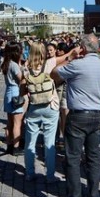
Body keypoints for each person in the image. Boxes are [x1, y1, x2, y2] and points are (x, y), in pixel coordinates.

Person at [51, 33, 100, 197]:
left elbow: (53, 74)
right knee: (94, 159)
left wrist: (70, 57)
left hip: (77, 115)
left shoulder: (76, 65)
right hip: (95, 115)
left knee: (73, 158)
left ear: (83, 48)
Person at [21, 42, 60, 182]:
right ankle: (50, 175)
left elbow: (22, 90)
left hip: (34, 107)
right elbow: (67, 57)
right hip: (50, 106)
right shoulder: (48, 64)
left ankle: (30, 173)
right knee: (49, 142)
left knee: (30, 142)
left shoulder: (26, 68)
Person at [2, 41, 24, 155]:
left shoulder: (6, 63)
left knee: (10, 122)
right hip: (16, 91)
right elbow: (21, 78)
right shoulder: (14, 65)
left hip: (8, 92)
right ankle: (16, 147)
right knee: (17, 123)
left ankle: (10, 144)